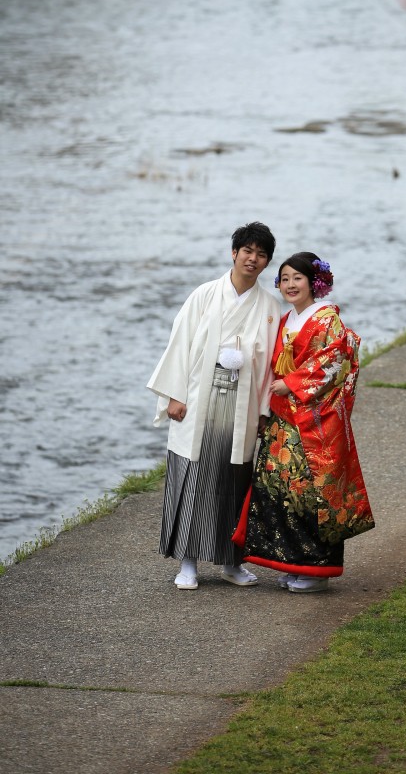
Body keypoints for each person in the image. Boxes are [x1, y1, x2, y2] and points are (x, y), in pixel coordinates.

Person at [147, 222, 281, 590]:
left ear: (267, 261)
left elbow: (273, 363)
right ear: (234, 253)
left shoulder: (270, 306)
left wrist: (266, 411)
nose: (253, 259)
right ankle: (187, 563)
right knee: (193, 475)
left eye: (261, 254)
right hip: (199, 397)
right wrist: (175, 394)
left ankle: (231, 563)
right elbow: (180, 344)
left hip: (243, 404)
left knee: (234, 482)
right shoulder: (205, 296)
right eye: (247, 251)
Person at [234, 251, 374, 593]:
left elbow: (336, 360)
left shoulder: (327, 320)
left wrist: (293, 384)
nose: (290, 284)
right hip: (284, 420)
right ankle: (293, 561)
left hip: (314, 422)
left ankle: (316, 569)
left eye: (297, 277)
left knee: (310, 493)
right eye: (284, 279)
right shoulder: (286, 320)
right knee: (280, 490)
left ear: (315, 282)